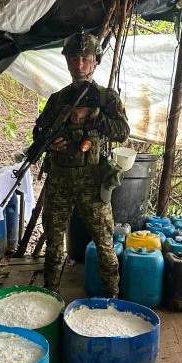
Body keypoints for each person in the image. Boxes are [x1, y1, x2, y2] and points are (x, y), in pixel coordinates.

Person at [35, 32, 129, 295]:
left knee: (104, 242)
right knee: (54, 242)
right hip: (60, 179)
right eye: (74, 59)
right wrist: (50, 143)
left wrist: (93, 118)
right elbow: (39, 131)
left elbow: (122, 131)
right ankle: (50, 296)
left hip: (92, 179)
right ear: (67, 62)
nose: (79, 65)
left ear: (95, 62)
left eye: (85, 58)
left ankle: (112, 296)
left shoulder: (105, 97)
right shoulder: (58, 99)